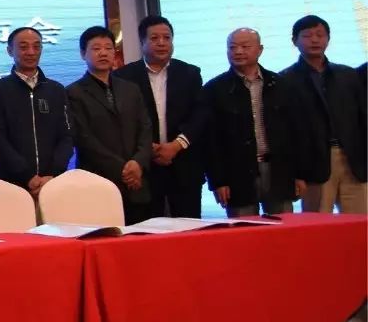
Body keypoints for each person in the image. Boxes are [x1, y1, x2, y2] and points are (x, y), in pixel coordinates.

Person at [203, 28, 309, 217]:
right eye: (232, 47)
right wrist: (218, 181)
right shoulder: (215, 89)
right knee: (244, 230)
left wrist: (300, 174)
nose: (238, 51)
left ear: (260, 50)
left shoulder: (281, 84)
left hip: (279, 170)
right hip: (238, 173)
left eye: (245, 46)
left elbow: (297, 133)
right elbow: (211, 141)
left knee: (283, 229)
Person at [113, 15, 207, 218]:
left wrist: (176, 146)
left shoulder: (189, 73)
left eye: (167, 37)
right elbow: (122, 121)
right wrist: (147, 148)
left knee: (188, 228)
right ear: (142, 42)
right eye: (154, 38)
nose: (162, 43)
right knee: (148, 229)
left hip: (183, 164)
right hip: (144, 168)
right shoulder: (123, 77)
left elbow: (199, 115)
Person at [282, 15, 367, 215]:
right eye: (307, 36)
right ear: (294, 40)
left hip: (353, 159)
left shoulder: (348, 75)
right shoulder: (285, 80)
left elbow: (363, 118)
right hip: (313, 163)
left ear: (328, 39)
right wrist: (295, 172)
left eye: (320, 35)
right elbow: (286, 132)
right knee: (317, 223)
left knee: (360, 222)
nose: (314, 40)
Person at [66, 26, 152, 224]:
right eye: (96, 48)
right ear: (83, 54)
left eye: (108, 48)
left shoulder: (130, 89)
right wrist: (123, 169)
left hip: (137, 182)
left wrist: (138, 162)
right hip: (99, 181)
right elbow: (84, 139)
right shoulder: (73, 93)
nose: (103, 53)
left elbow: (145, 128)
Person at [0, 26, 73, 199]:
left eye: (36, 46)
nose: (31, 52)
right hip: (11, 183)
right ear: (10, 51)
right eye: (23, 47)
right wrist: (26, 175)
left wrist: (53, 173)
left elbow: (67, 136)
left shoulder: (56, 90)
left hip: (53, 182)